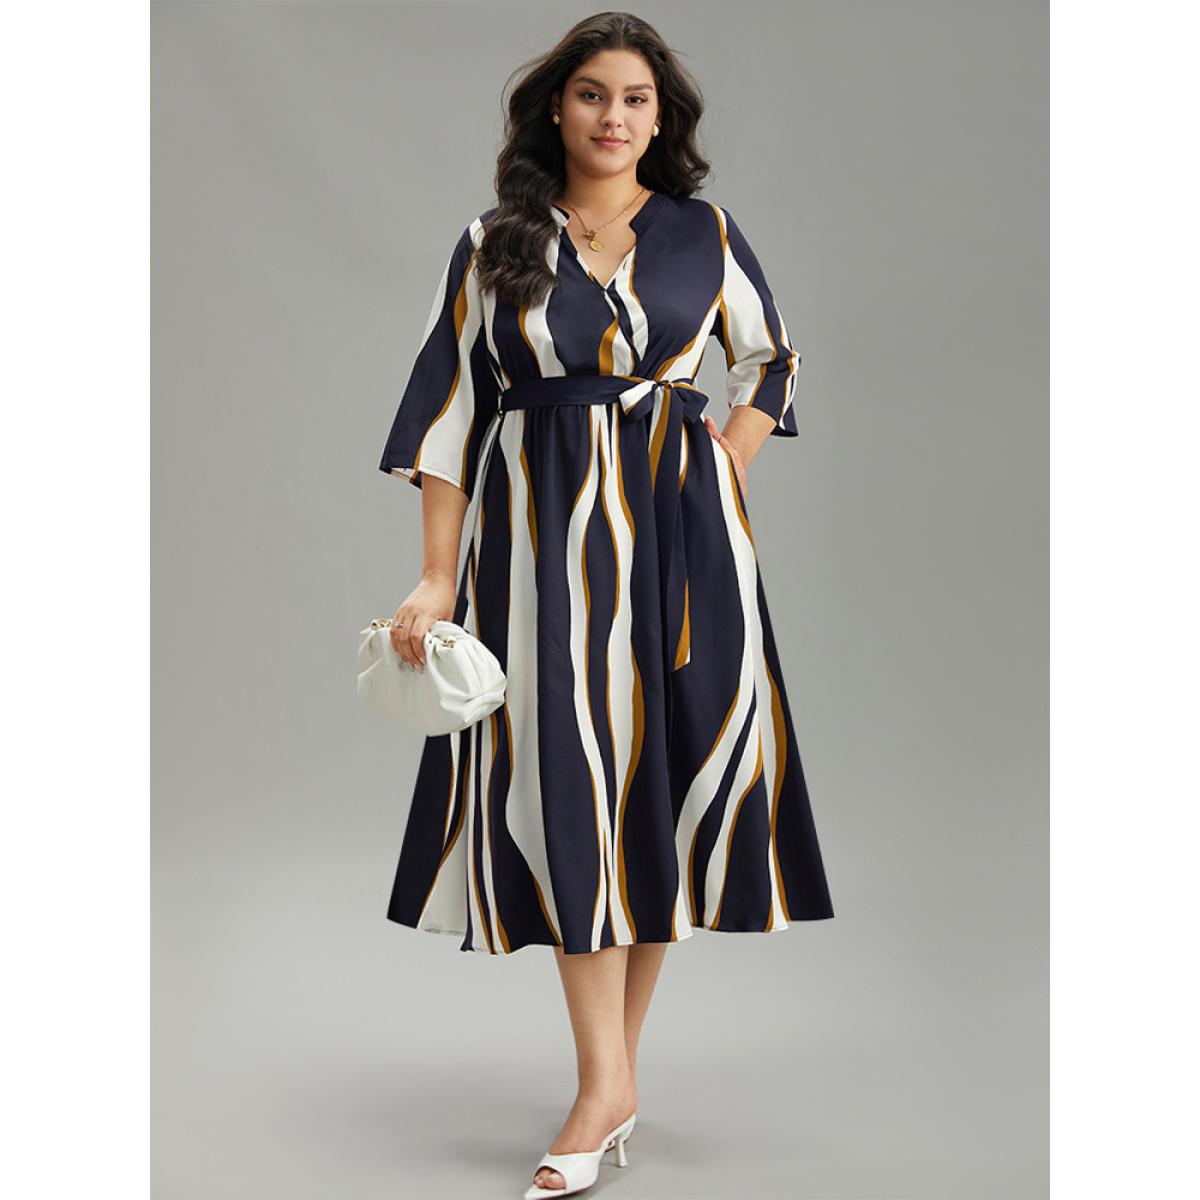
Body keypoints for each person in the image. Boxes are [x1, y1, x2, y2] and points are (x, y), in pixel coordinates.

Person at [375, 13, 834, 1197]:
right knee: (572, 783)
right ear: (556, 107)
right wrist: (435, 574)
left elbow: (771, 360)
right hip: (542, 547)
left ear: (659, 116)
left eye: (635, 98)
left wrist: (724, 464)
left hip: (687, 548)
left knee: (658, 788)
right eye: (592, 94)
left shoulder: (704, 233)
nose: (614, 116)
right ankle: (604, 1082)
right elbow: (447, 414)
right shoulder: (496, 244)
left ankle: (607, 1086)